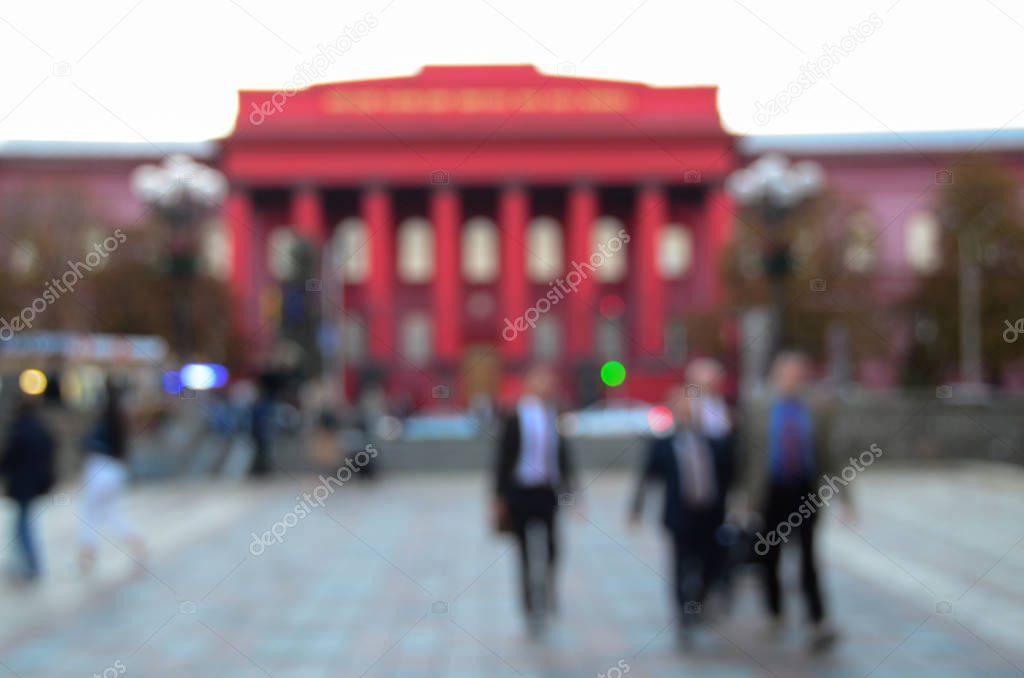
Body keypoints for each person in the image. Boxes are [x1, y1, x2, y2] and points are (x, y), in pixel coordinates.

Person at [743, 351, 849, 651]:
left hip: (804, 490)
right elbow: (746, 455)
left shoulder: (816, 408)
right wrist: (745, 496)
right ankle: (774, 610)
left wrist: (846, 498)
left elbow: (831, 454)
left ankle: (817, 618)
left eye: (797, 375)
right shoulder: (760, 407)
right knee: (770, 554)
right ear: (777, 376)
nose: (792, 380)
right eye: (787, 374)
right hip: (770, 491)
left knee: (808, 556)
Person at [629, 386, 719, 641]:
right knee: (680, 563)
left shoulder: (713, 441)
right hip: (679, 513)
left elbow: (726, 474)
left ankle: (698, 599)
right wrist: (636, 508)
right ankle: (683, 612)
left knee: (708, 561)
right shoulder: (663, 444)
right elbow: (646, 477)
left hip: (708, 512)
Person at [493, 364, 576, 634]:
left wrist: (570, 491)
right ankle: (530, 604)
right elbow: (501, 460)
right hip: (520, 492)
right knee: (525, 552)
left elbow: (564, 456)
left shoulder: (555, 415)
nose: (546, 386)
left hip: (547, 492)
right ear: (529, 384)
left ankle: (547, 589)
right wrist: (498, 497)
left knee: (553, 548)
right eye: (540, 381)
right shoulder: (515, 416)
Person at [686, 358, 739, 604]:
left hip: (721, 484)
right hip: (694, 488)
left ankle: (714, 583)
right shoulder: (689, 407)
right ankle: (694, 589)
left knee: (718, 537)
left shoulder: (725, 406)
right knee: (693, 541)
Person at [78, 380, 145, 572]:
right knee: (111, 514)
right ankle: (136, 542)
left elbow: (90, 442)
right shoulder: (120, 419)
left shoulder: (107, 418)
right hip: (116, 470)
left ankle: (87, 553)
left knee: (91, 513)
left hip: (101, 468)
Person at [1, 398, 56, 581]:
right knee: (22, 523)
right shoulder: (41, 429)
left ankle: (31, 565)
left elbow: (10, 458)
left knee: (22, 524)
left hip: (23, 484)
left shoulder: (20, 431)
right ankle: (26, 563)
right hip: (34, 484)